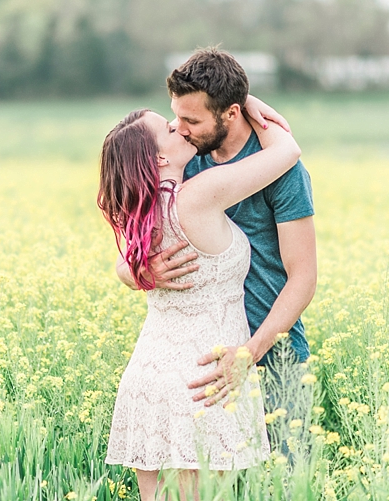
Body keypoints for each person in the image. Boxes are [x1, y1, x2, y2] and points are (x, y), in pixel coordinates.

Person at [99, 99, 301, 499]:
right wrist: (244, 102)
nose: (180, 126)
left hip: (148, 380)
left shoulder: (141, 215)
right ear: (158, 160)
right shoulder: (198, 194)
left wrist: (131, 271)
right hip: (202, 382)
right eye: (170, 130)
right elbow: (287, 151)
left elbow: (125, 266)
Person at [116, 48, 316, 412]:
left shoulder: (284, 173)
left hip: (272, 355)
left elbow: (303, 277)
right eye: (175, 117)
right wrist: (140, 271)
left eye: (191, 119)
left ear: (231, 112)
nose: (179, 128)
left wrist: (249, 354)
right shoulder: (184, 160)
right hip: (204, 364)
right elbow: (124, 260)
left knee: (289, 470)